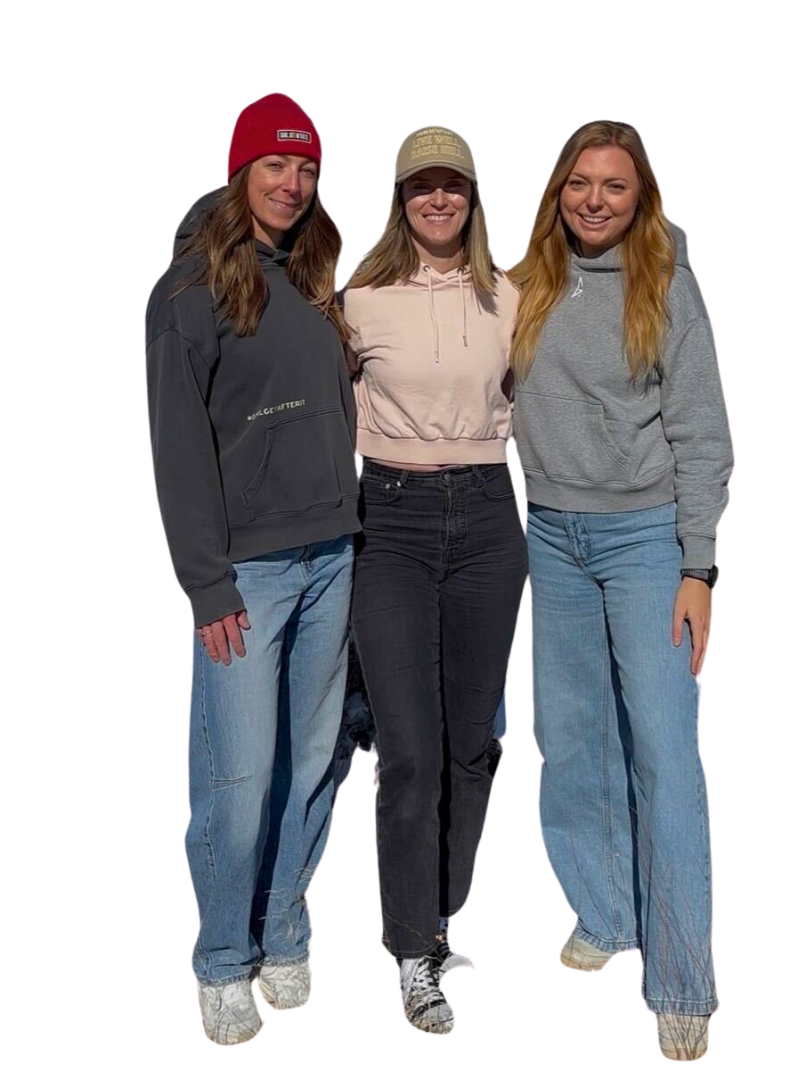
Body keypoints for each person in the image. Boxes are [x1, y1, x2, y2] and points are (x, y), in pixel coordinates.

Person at [508, 119, 733, 1063]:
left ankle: (683, 983)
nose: (594, 200)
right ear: (557, 189)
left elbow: (703, 430)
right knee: (571, 740)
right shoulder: (531, 279)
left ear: (641, 197)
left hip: (644, 540)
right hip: (549, 535)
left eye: (614, 186)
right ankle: (606, 919)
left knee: (665, 754)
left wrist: (696, 567)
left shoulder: (667, 283)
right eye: (579, 183)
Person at [145, 93, 360, 1047]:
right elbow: (178, 446)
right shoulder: (189, 291)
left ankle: (284, 940)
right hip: (247, 574)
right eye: (276, 164)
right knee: (238, 776)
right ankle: (222, 959)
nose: (293, 183)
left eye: (308, 168)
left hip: (331, 556)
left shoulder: (313, 278)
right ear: (241, 172)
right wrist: (207, 578)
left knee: (309, 764)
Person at [341, 126, 528, 1035]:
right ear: (402, 199)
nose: (439, 199)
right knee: (408, 748)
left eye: (453, 184)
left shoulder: (512, 297)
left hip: (489, 520)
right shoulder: (359, 300)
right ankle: (412, 953)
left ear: (474, 196)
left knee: (470, 746)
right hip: (392, 523)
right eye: (423, 186)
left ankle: (451, 925)